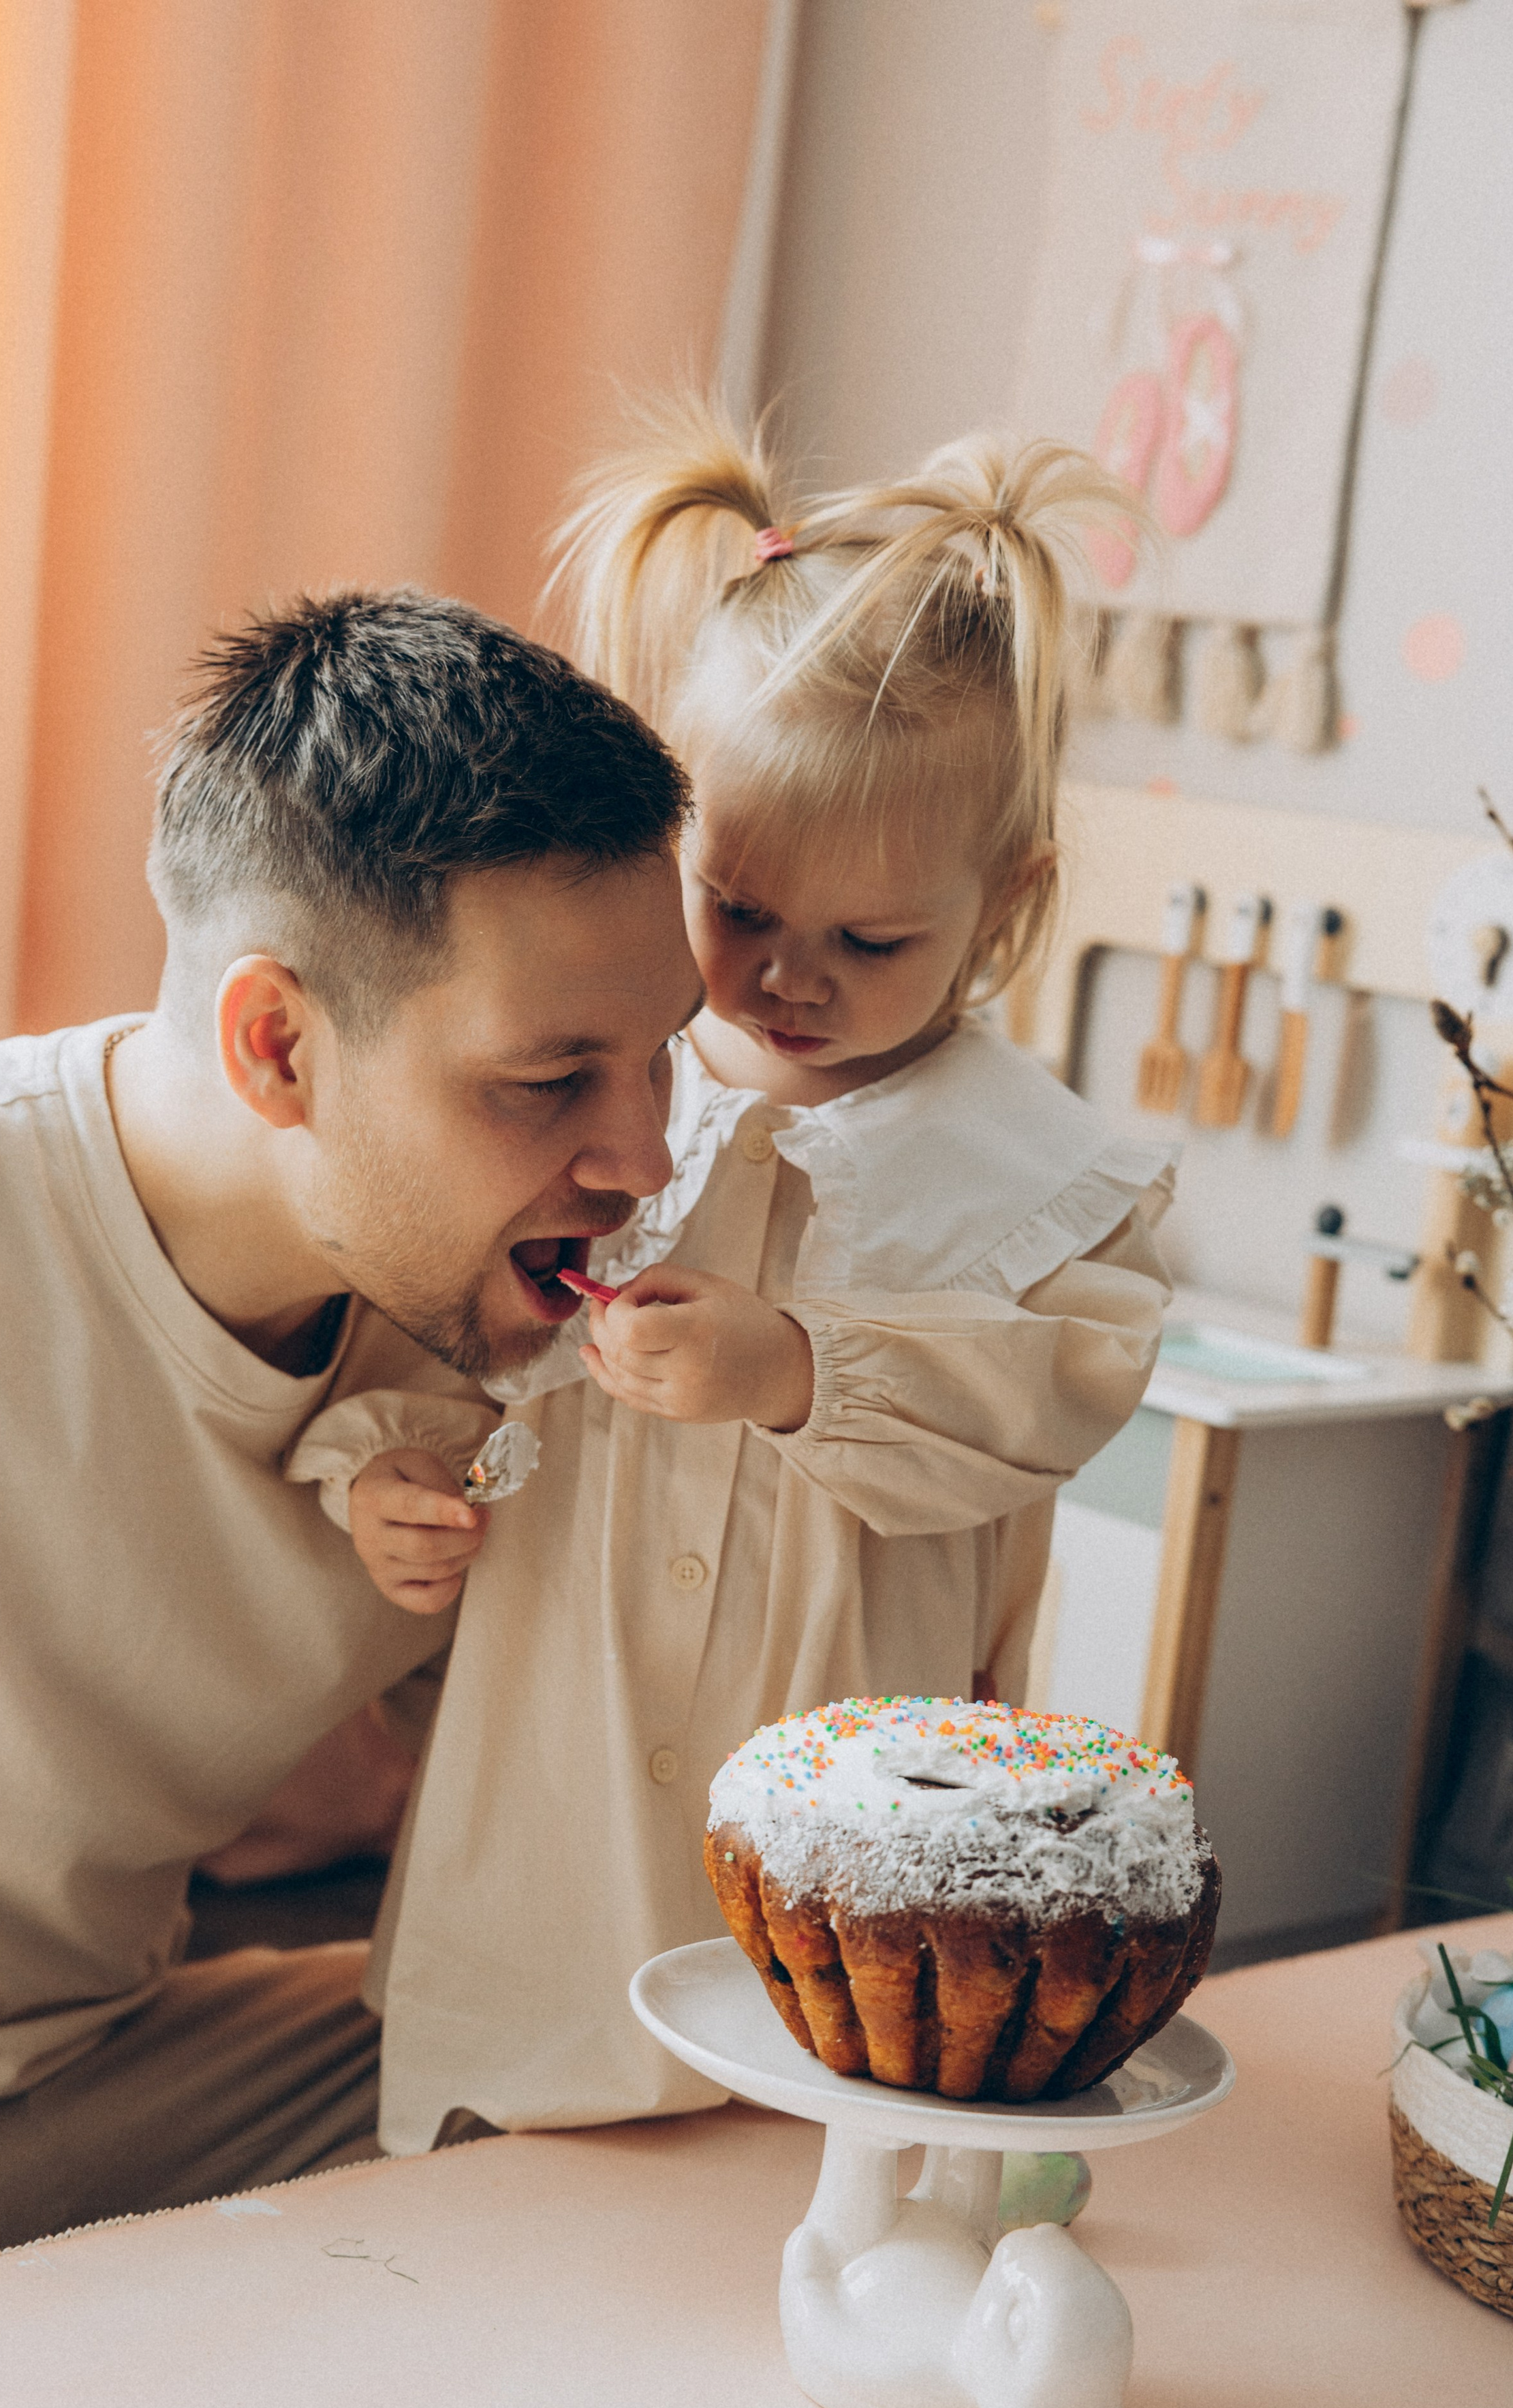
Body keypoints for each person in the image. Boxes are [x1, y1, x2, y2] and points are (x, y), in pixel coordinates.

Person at [295, 404, 1179, 2155]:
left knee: (799, 2131)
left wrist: (799, 1371)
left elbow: (1049, 1404)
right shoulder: (609, 1100)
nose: (786, 982)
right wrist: (375, 1466)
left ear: (1003, 909)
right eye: (739, 912)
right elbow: (457, 1322)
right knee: (512, 2119)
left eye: (872, 943)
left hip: (836, 1768)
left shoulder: (1042, 1178)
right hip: (560, 1744)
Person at [0, 587, 700, 2293]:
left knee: (652, 2113)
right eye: (549, 1079)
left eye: (662, 1062)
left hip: (138, 2073)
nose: (639, 1159)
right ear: (276, 1044)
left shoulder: (520, 1335)